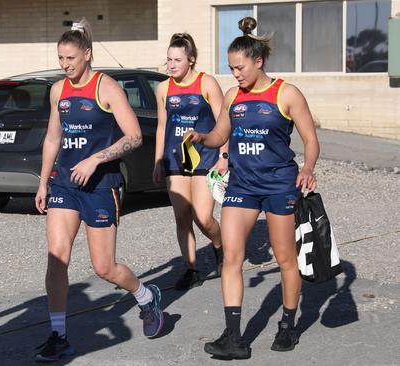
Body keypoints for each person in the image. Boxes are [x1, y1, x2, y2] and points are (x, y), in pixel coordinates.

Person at [187, 17, 319, 359]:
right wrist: (203, 137)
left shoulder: (286, 94)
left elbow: (310, 139)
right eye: (231, 69)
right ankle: (234, 337)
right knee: (231, 257)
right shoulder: (233, 96)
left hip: (278, 185)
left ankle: (288, 324)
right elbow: (220, 136)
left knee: (286, 258)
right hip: (242, 186)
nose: (236, 74)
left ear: (258, 61)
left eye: (240, 67)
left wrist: (307, 167)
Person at [34, 19, 164, 362]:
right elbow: (52, 137)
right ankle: (58, 334)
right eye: (61, 58)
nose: (65, 65)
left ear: (87, 54)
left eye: (71, 58)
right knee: (56, 256)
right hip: (65, 183)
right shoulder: (58, 90)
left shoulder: (106, 88)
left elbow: (134, 136)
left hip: (101, 185)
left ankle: (146, 296)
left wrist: (95, 160)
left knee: (103, 267)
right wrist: (43, 181)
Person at [153, 33, 227, 290]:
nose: (172, 65)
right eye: (169, 60)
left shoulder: (207, 83)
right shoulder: (163, 89)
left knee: (203, 217)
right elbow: (162, 126)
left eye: (178, 60)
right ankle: (191, 269)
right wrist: (158, 161)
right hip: (176, 161)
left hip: (205, 157)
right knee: (182, 218)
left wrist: (224, 156)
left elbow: (223, 122)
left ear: (191, 60)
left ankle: (220, 247)